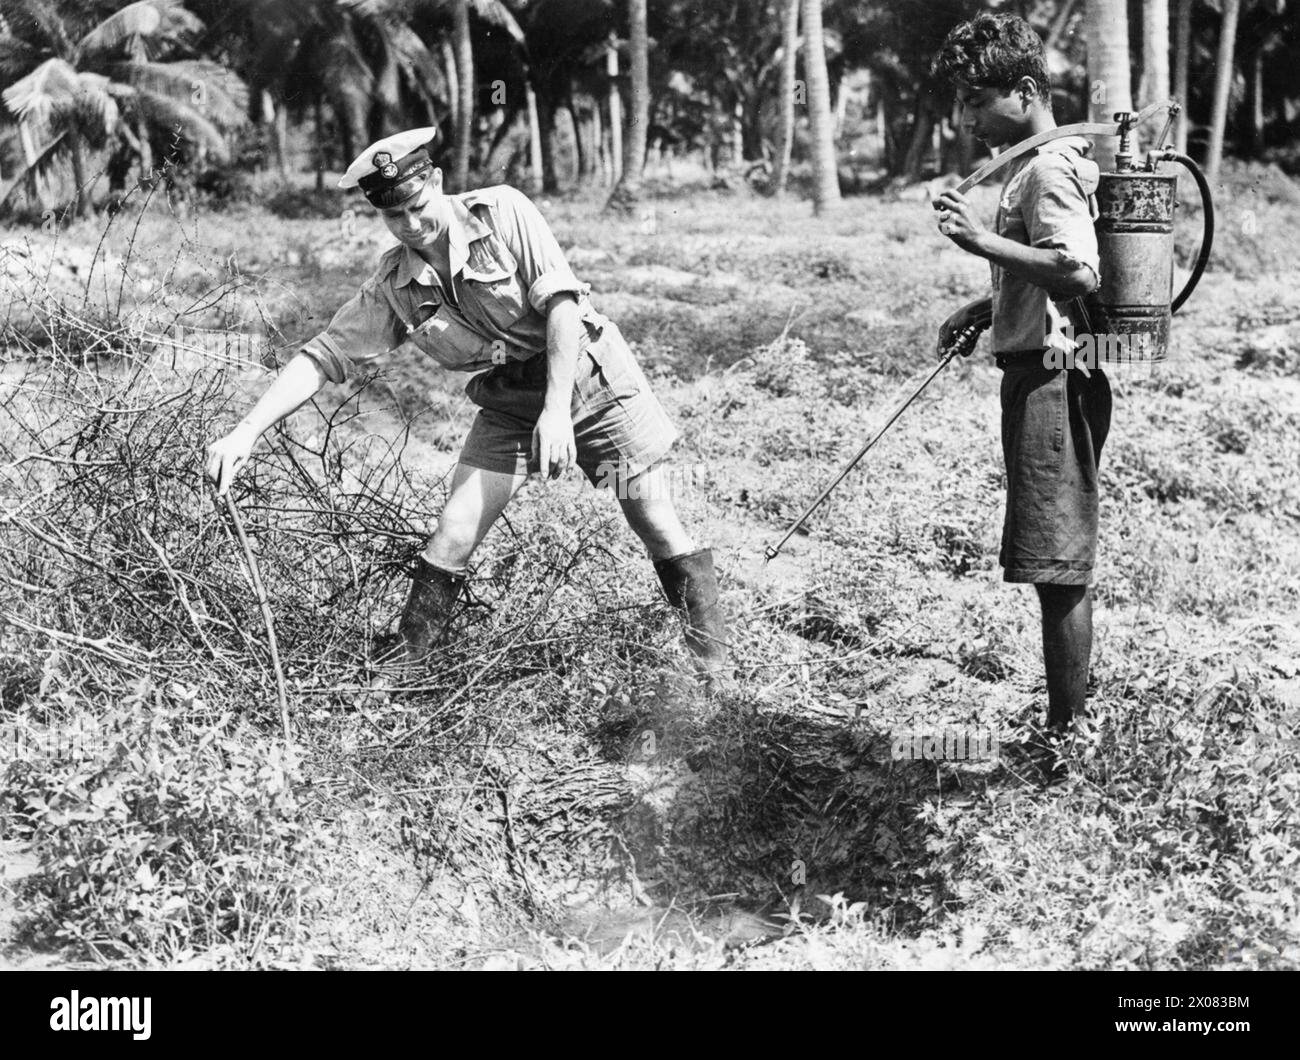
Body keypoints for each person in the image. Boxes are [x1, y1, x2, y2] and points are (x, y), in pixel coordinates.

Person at [205, 128, 727, 682]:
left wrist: (556, 411)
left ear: (437, 181)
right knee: (455, 529)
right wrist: (246, 431)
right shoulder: (394, 283)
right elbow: (323, 355)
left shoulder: (502, 212)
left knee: (653, 520)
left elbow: (564, 305)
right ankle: (406, 669)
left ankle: (715, 674)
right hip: (510, 398)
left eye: (417, 205)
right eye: (394, 216)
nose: (411, 224)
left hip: (591, 377)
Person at [929, 15, 1112, 769]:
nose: (967, 118)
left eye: (977, 100)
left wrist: (979, 242)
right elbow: (1040, 271)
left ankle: (1071, 741)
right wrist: (984, 308)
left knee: (1057, 562)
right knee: (1051, 560)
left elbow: (1077, 270)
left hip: (1054, 377)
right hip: (1037, 367)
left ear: (1027, 90)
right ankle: (1069, 724)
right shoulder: (1030, 168)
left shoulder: (1049, 169)